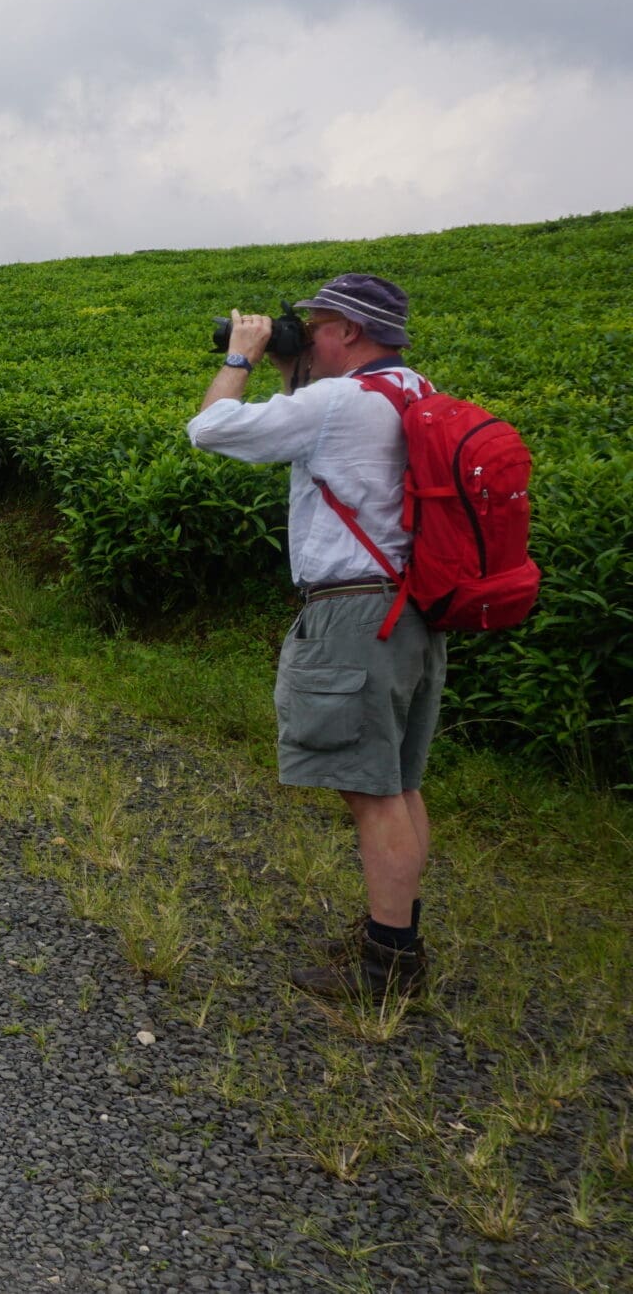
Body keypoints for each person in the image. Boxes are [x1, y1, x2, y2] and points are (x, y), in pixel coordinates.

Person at [186, 273, 443, 999]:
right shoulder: (411, 390)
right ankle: (396, 937)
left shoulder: (337, 403)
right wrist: (289, 363)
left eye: (316, 324)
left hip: (355, 616)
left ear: (350, 332)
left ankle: (385, 967)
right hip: (412, 610)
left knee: (371, 792)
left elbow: (208, 428)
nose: (308, 335)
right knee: (398, 781)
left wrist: (240, 356)